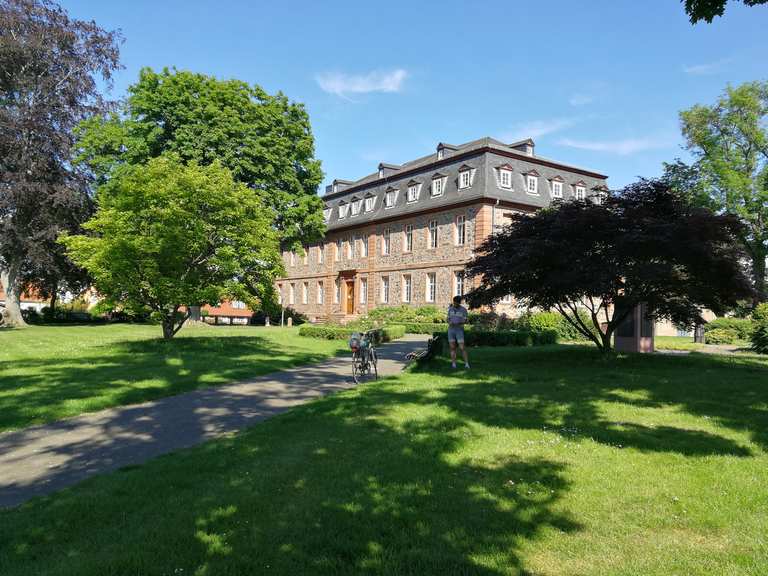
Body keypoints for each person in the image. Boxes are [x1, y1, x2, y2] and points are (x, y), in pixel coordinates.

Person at [447, 295, 470, 369]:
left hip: (459, 330)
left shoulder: (463, 310)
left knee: (462, 347)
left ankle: (466, 364)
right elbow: (448, 319)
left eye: (456, 303)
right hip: (451, 330)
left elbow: (466, 320)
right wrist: (449, 322)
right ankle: (453, 364)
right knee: (452, 347)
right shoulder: (450, 309)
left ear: (459, 302)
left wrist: (460, 322)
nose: (455, 304)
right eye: (454, 302)